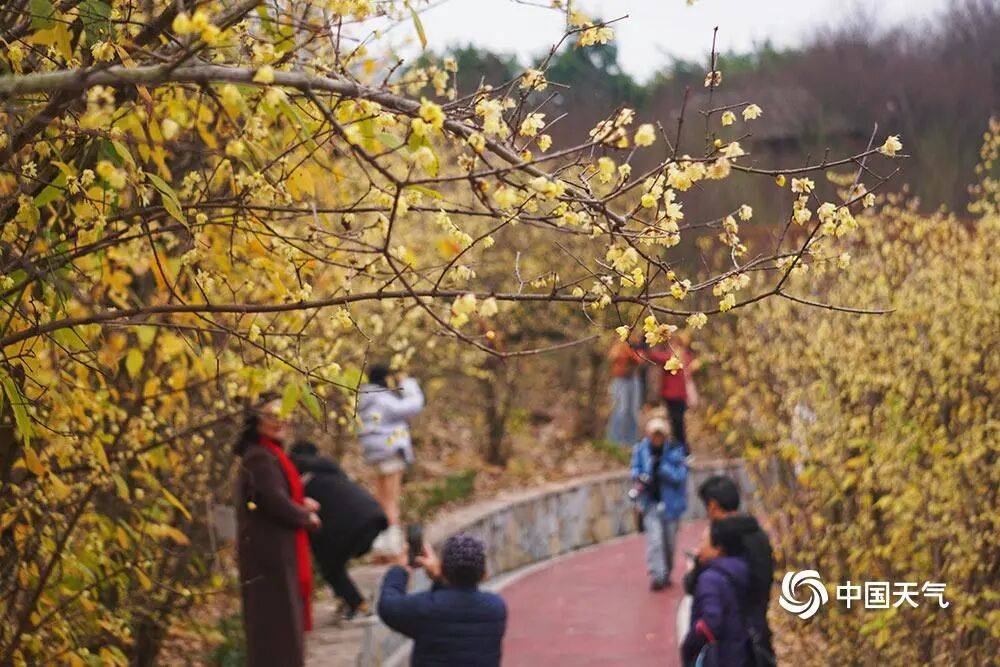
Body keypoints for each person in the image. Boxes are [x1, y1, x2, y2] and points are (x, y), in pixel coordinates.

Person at [235, 394, 321, 667]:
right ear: (255, 421)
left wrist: (300, 503)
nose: (280, 420)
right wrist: (306, 517)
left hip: (274, 552)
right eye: (271, 416)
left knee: (281, 626)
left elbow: (274, 496)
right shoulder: (260, 458)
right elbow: (274, 502)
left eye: (283, 413)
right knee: (277, 629)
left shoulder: (269, 454)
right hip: (269, 557)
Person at [289, 441, 388, 619]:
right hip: (375, 516)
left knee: (330, 566)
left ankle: (357, 604)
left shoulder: (300, 483)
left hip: (352, 526)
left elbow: (314, 528)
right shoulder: (329, 469)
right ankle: (351, 601)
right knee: (335, 561)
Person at [377, 533, 507, 666]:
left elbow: (388, 606)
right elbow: (450, 607)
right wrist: (440, 577)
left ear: (443, 568)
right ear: (484, 574)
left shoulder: (426, 609)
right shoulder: (496, 608)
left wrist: (399, 569)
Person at [685, 475, 776, 660]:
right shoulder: (758, 534)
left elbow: (697, 588)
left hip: (727, 644)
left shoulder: (718, 539)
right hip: (757, 632)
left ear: (712, 505)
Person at [357, 364, 424, 554]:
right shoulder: (383, 399)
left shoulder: (364, 398)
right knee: (391, 499)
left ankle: (381, 543)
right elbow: (412, 406)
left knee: (381, 498)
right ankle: (392, 545)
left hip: (374, 453)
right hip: (390, 450)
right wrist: (408, 383)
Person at [681, 520, 752, 667]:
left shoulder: (710, 579)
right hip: (739, 652)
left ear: (718, 549)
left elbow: (711, 620)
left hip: (718, 657)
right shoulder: (739, 570)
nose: (699, 548)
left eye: (703, 542)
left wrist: (689, 645)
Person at [630, 417, 688, 590]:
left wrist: (662, 468)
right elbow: (634, 469)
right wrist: (640, 476)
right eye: (653, 435)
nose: (656, 439)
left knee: (669, 543)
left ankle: (667, 571)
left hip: (670, 504)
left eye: (659, 435)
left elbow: (680, 476)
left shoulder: (675, 451)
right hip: (650, 503)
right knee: (654, 540)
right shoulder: (641, 450)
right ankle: (658, 575)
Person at [648, 337, 699, 452]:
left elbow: (656, 356)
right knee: (676, 423)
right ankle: (679, 449)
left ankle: (682, 449)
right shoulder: (683, 355)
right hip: (673, 396)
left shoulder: (677, 356)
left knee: (677, 423)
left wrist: (649, 348)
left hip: (675, 395)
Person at [606, 334, 643, 446]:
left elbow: (640, 360)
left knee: (633, 412)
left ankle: (631, 443)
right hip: (621, 381)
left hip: (633, 380)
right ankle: (615, 442)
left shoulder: (639, 346)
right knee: (621, 411)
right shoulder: (619, 347)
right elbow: (615, 357)